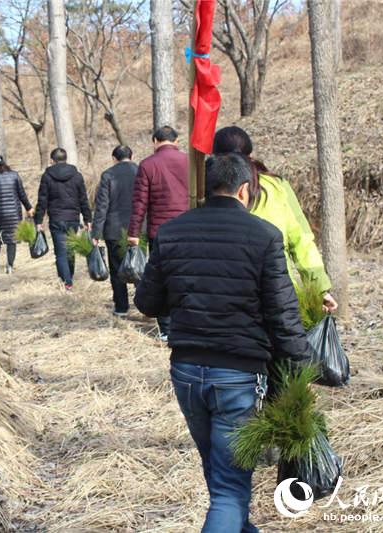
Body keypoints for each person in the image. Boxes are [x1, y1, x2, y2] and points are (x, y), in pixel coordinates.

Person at [134, 153, 313, 533]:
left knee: (221, 478)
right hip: (238, 376)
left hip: (186, 373)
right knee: (229, 489)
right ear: (245, 189)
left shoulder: (171, 232)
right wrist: (300, 372)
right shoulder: (264, 236)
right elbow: (283, 315)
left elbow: (147, 303)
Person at [213, 126, 338, 313]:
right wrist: (320, 287)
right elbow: (301, 240)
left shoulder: (210, 189)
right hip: (278, 292)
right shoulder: (276, 186)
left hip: (224, 294)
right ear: (250, 152)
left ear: (216, 155)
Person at [127, 125, 188, 341]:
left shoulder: (147, 165)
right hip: (189, 228)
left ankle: (166, 328)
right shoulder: (191, 162)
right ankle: (187, 322)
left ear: (154, 141)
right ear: (177, 141)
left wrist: (134, 232)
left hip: (160, 231)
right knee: (188, 275)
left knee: (162, 277)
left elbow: (139, 203)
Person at [34, 148, 92, 290]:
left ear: (52, 161)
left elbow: (42, 200)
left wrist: (38, 221)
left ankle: (67, 282)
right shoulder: (77, 176)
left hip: (56, 219)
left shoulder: (47, 176)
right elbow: (83, 199)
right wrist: (87, 219)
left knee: (60, 252)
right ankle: (69, 278)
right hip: (73, 219)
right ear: (66, 159)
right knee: (70, 250)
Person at [91, 145, 138, 316]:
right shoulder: (140, 171)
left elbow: (101, 207)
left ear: (114, 158)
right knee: (139, 266)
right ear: (131, 156)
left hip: (114, 229)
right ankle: (144, 303)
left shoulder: (108, 175)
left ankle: (121, 307)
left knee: (118, 270)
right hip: (139, 228)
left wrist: (96, 233)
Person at [0, 154, 34, 274]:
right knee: (12, 239)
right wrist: (29, 208)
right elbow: (22, 194)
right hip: (14, 213)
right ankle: (9, 266)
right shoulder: (14, 175)